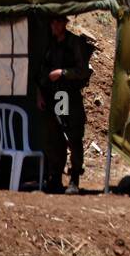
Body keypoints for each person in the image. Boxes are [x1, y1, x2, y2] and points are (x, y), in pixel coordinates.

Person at [37, 14, 93, 194]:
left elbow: (82, 71)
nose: (53, 25)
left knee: (72, 135)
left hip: (68, 95)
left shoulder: (74, 43)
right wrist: (39, 93)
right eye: (51, 22)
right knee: (55, 136)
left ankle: (74, 178)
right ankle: (55, 178)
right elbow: (42, 71)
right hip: (55, 95)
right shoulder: (51, 44)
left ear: (63, 24)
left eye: (56, 22)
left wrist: (63, 73)